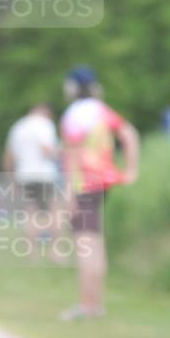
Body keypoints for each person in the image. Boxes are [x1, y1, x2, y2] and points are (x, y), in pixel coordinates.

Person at [59, 66, 139, 319]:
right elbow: (130, 134)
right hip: (103, 183)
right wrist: (130, 171)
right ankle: (96, 304)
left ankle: (86, 305)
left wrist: (69, 193)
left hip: (84, 185)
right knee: (96, 244)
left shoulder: (74, 114)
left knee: (85, 246)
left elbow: (72, 156)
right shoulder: (101, 111)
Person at [4, 103, 59, 255]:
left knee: (31, 211)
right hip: (44, 174)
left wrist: (11, 180)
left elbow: (9, 157)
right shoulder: (44, 124)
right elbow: (46, 150)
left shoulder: (18, 127)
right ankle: (55, 250)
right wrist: (59, 153)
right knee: (53, 210)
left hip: (24, 174)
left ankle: (31, 251)